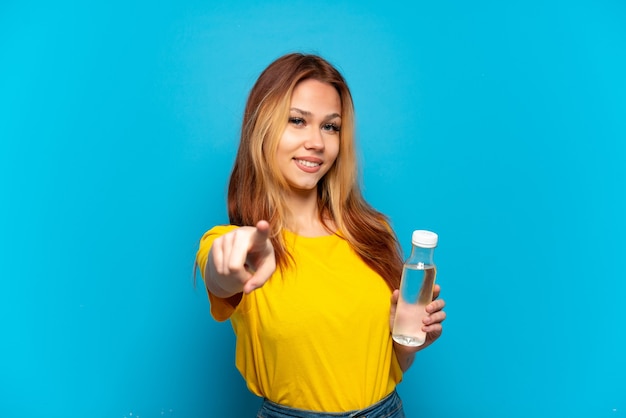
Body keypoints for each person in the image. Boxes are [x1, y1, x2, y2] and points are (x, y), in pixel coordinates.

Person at [195, 53, 446, 417]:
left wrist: (410, 341)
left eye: (331, 127)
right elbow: (219, 273)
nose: (317, 142)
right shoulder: (241, 244)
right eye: (297, 121)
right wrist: (227, 268)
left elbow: (390, 367)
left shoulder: (371, 232)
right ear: (262, 127)